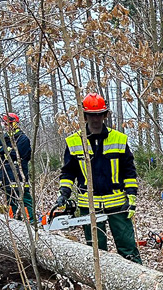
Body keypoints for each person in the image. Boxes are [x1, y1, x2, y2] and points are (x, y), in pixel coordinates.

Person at [56, 93, 141, 264]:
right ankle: (99, 287)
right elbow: (68, 172)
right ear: (85, 116)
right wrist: (64, 193)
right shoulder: (74, 141)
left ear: (105, 115)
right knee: (95, 250)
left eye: (98, 115)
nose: (95, 119)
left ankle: (139, 282)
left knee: (128, 247)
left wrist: (131, 195)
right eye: (91, 115)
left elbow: (129, 171)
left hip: (117, 203)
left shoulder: (119, 139)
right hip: (89, 205)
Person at [0, 113, 34, 221]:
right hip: (5, 174)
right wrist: (4, 150)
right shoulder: (3, 138)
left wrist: (3, 151)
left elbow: (16, 154)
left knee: (24, 198)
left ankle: (29, 220)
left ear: (15, 123)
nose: (7, 126)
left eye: (9, 124)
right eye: (5, 124)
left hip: (19, 174)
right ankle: (14, 220)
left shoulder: (22, 138)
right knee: (10, 199)